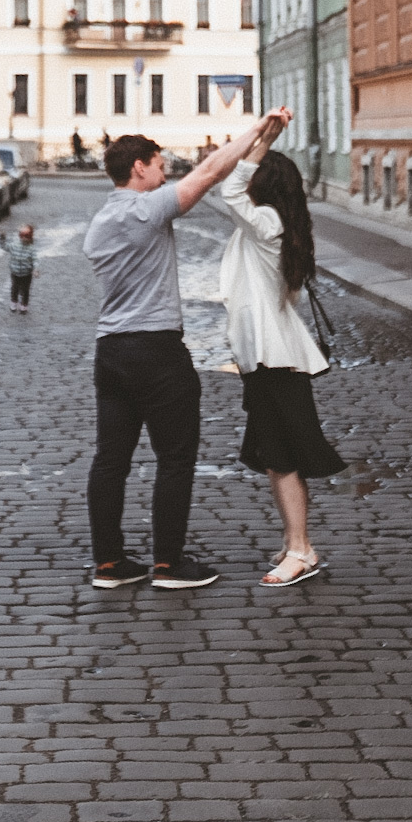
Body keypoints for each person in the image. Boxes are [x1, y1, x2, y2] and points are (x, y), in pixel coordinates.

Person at [84, 111, 291, 591]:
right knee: (175, 458)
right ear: (139, 167)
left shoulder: (100, 222)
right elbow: (211, 172)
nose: (165, 175)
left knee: (110, 460)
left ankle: (109, 563)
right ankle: (168, 564)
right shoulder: (145, 210)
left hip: (110, 352)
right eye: (159, 166)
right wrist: (257, 131)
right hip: (156, 350)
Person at [220, 115, 345, 587]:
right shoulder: (271, 226)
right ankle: (296, 541)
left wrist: (261, 144)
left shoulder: (267, 223)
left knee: (283, 454)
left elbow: (230, 190)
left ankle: (301, 549)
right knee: (274, 454)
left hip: (275, 359)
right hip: (266, 359)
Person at [6, 223, 36, 313]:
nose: (24, 238)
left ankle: (24, 305)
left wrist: (35, 269)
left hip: (26, 273)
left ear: (30, 237)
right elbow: (5, 247)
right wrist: (2, 239)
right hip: (15, 272)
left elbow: (35, 259)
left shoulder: (31, 248)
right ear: (19, 235)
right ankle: (14, 301)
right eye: (22, 235)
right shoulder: (14, 245)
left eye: (27, 236)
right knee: (14, 288)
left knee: (25, 290)